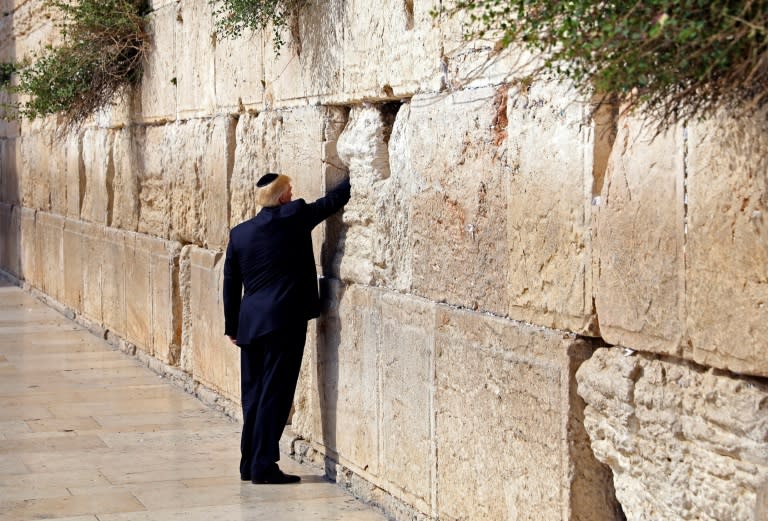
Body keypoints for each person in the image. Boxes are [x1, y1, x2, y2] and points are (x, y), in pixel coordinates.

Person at [223, 172, 351, 484]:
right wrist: (353, 176)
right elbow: (330, 203)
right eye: (289, 190)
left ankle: (248, 462)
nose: (293, 194)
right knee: (275, 396)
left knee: (253, 396)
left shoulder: (239, 234)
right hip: (284, 322)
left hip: (250, 325)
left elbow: (230, 283)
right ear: (281, 197)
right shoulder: (293, 216)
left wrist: (232, 325)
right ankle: (263, 467)